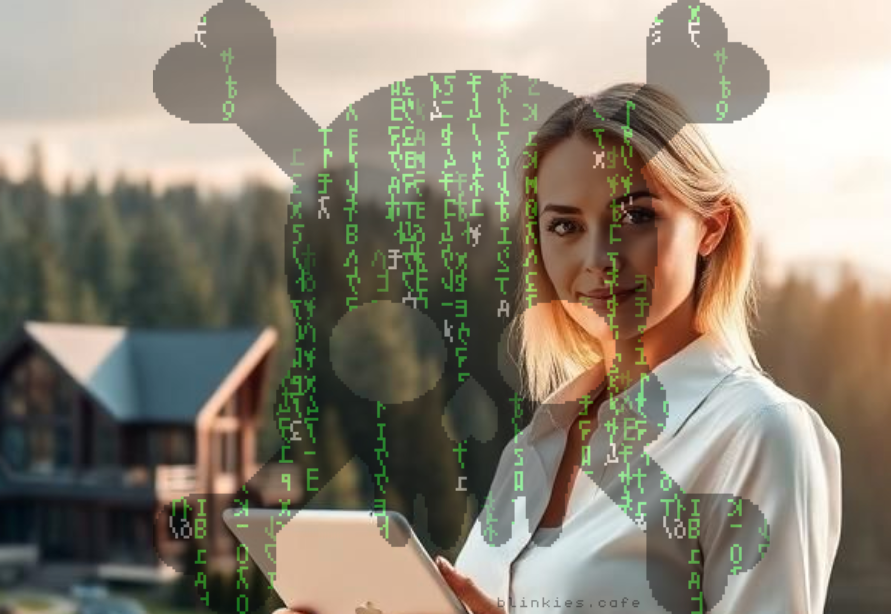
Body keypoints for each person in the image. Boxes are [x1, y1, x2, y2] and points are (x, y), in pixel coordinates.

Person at [276, 82, 842, 614]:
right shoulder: (536, 445)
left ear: (711, 228)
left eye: (637, 216)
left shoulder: (763, 433)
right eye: (566, 227)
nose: (598, 257)